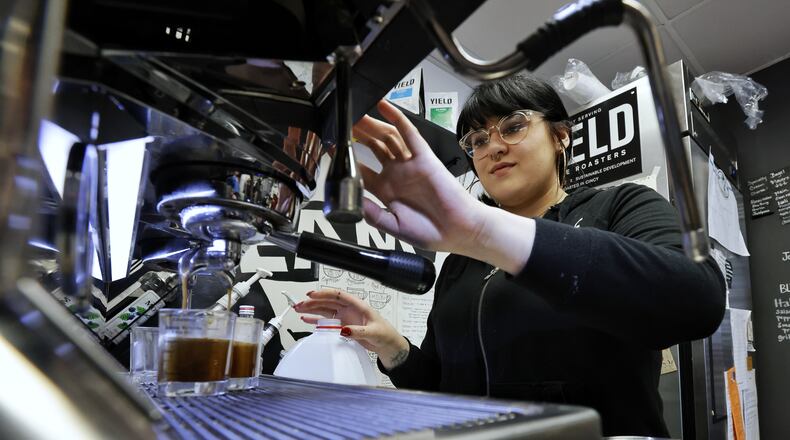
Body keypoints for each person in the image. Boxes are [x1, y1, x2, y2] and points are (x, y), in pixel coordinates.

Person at [294, 74, 725, 437]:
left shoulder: (618, 207)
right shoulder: (461, 260)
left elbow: (695, 299)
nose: (492, 147)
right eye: (478, 139)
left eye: (513, 126)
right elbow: (443, 384)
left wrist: (483, 228)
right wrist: (390, 343)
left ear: (561, 135)